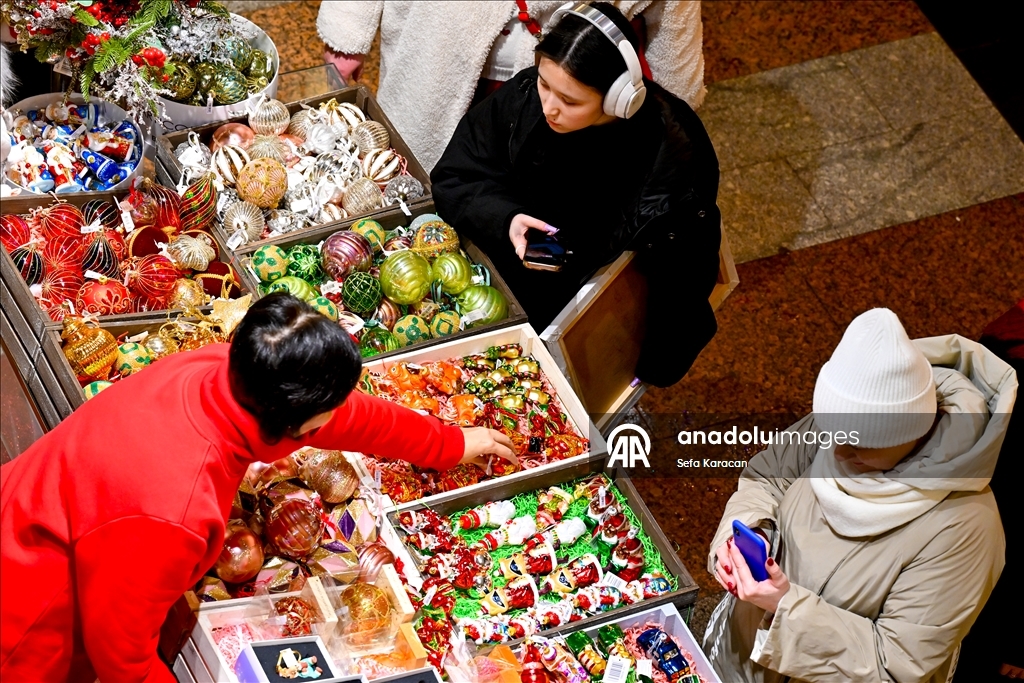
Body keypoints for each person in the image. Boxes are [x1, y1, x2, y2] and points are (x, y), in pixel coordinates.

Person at [0, 294, 516, 682]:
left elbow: (348, 414)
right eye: (322, 419)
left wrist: (447, 442)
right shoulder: (174, 509)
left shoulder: (224, 370)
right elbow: (122, 655)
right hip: (29, 626)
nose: (335, 418)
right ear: (295, 427)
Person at [702, 308, 1015, 683]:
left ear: (911, 431)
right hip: (741, 656)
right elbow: (765, 478)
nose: (836, 453)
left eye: (858, 445)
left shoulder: (967, 527)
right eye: (831, 432)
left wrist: (786, 608)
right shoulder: (845, 419)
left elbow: (894, 665)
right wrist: (751, 532)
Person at [430, 2, 721, 388]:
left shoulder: (673, 158)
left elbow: (682, 280)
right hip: (509, 290)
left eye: (570, 101)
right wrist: (507, 218)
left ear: (620, 99)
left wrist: (645, 371)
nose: (549, 108)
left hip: (592, 320)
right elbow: (457, 173)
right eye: (544, 83)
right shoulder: (525, 96)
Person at [317, 0, 706, 171]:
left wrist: (674, 114)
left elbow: (675, 17)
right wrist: (347, 27)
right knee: (415, 152)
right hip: (437, 41)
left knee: (536, 181)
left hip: (563, 69)